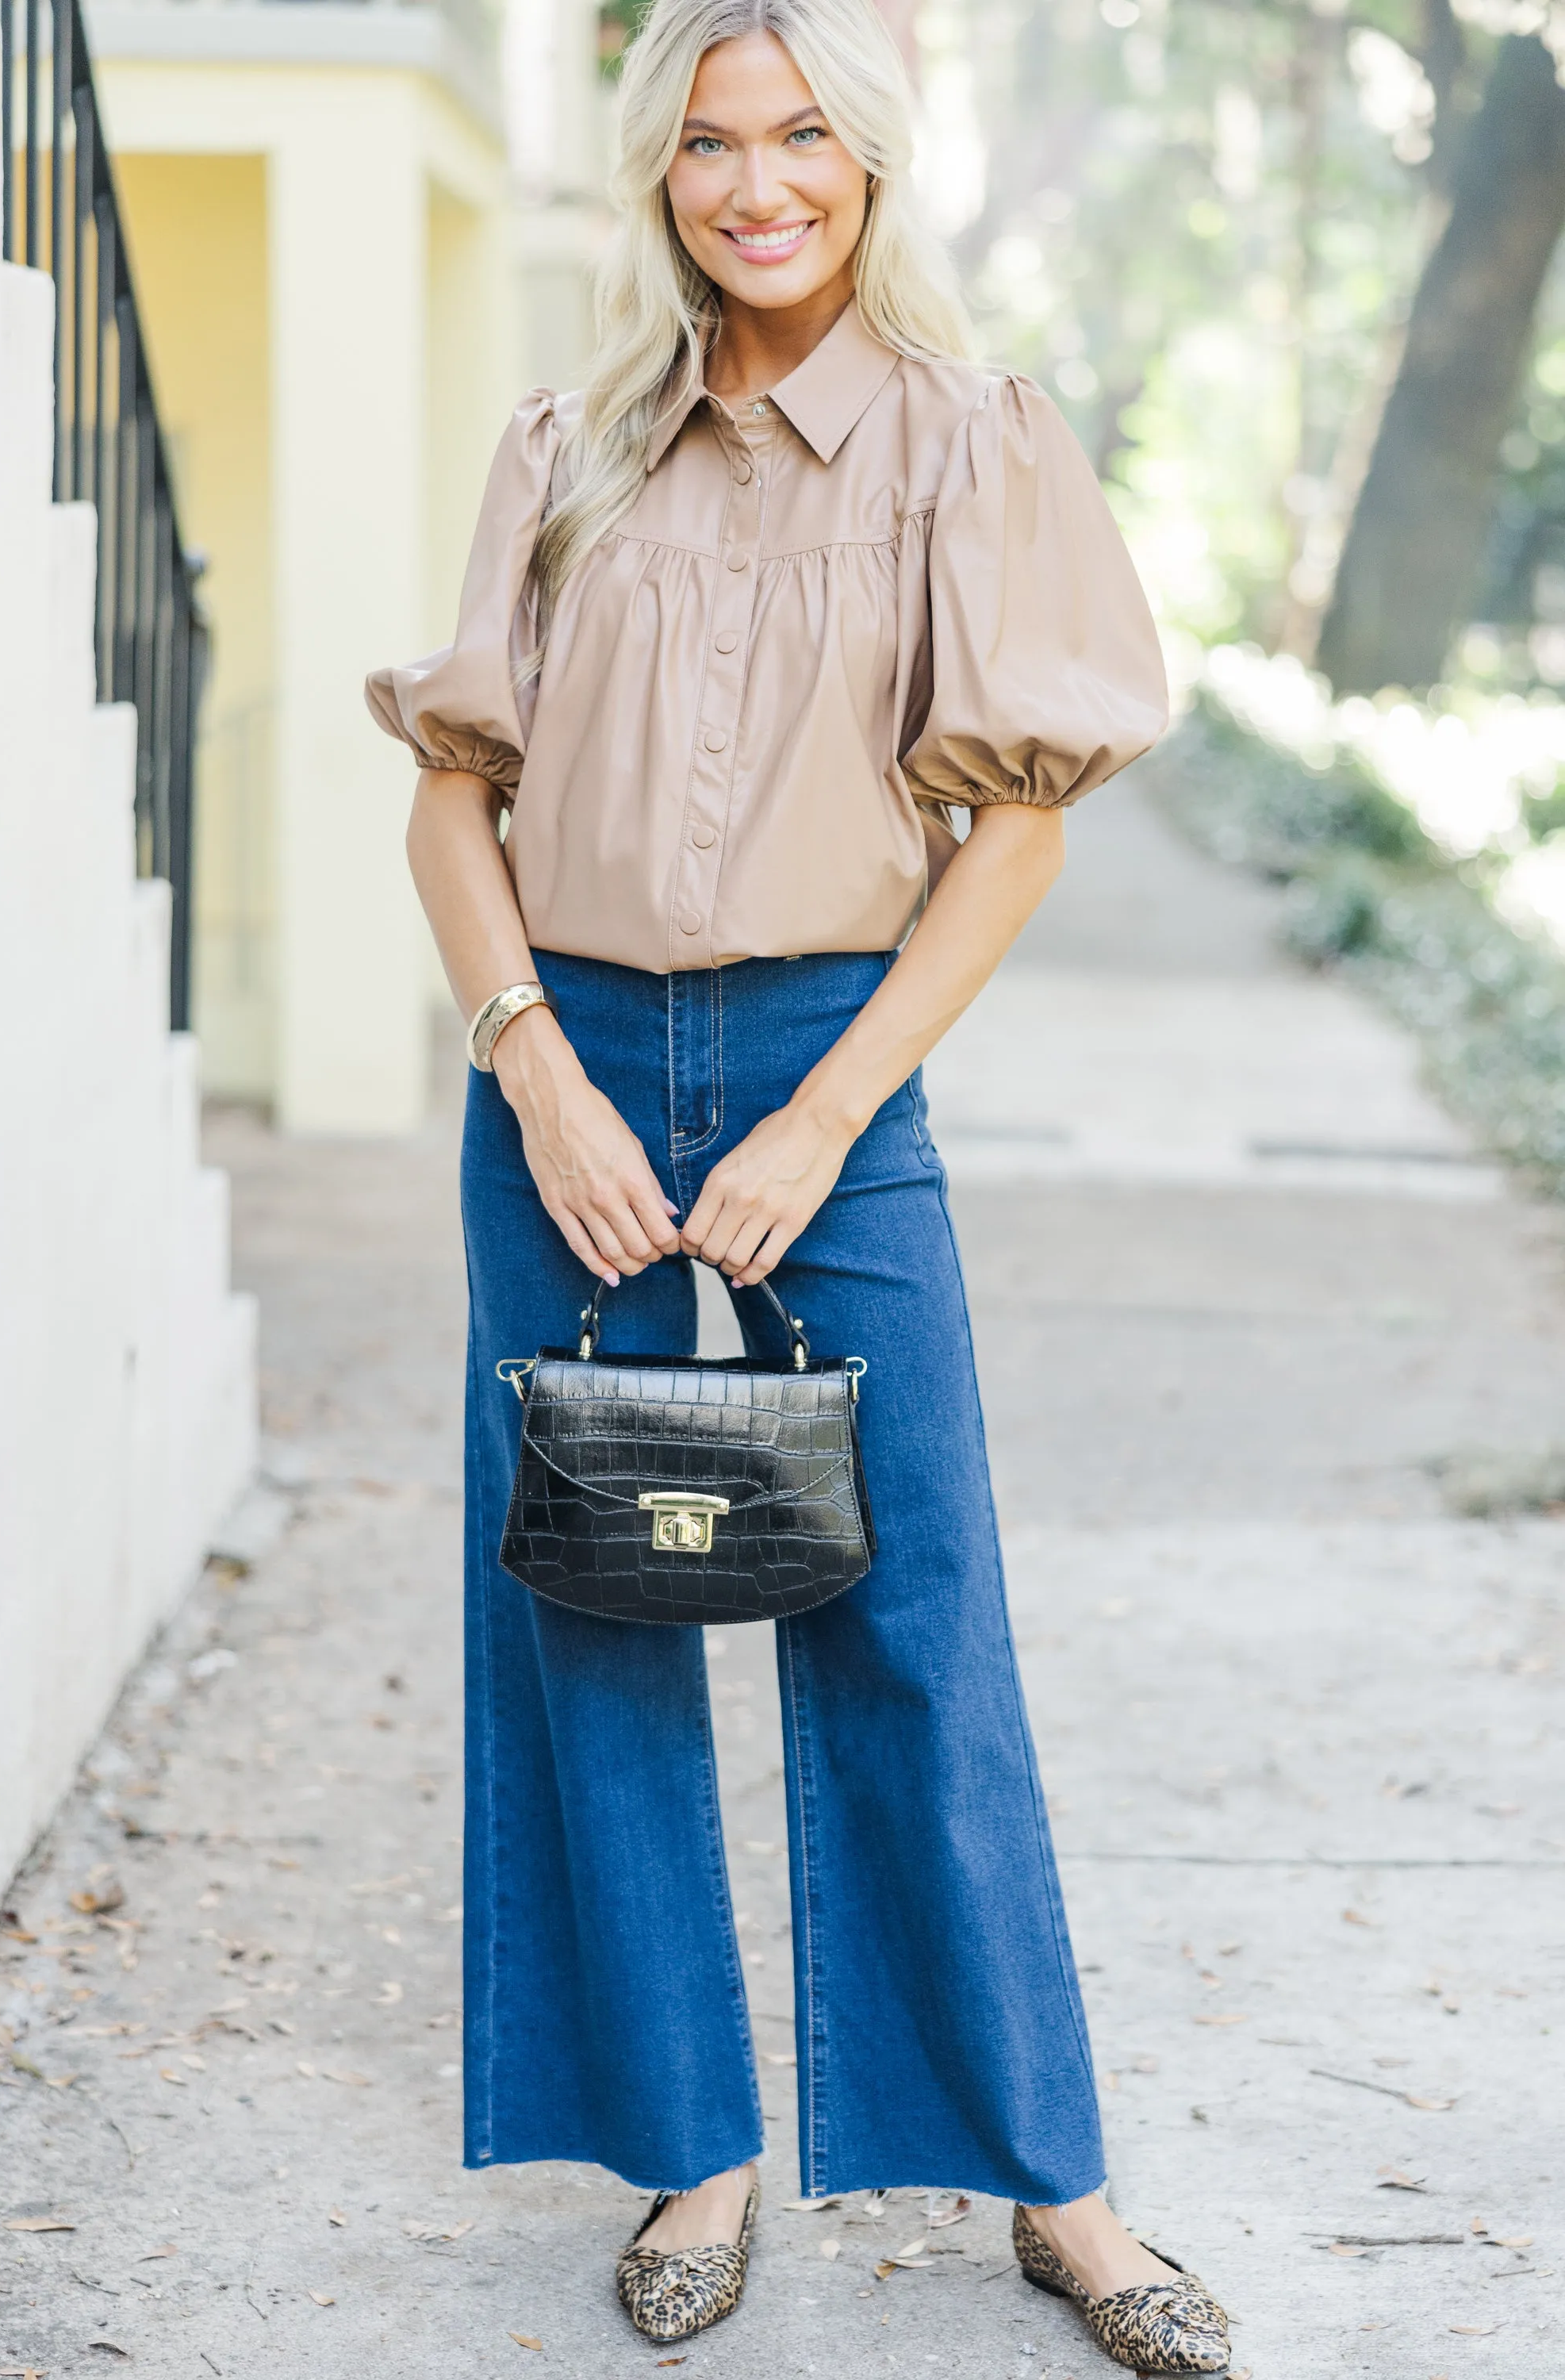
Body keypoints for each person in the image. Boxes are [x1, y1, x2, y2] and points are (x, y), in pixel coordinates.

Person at [366, 1, 1229, 2368]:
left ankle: (1054, 2188)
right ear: (662, 174)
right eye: (716, 144)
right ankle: (695, 2152)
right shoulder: (571, 443)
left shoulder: (978, 443)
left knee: (916, 1610)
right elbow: (456, 790)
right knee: (598, 1602)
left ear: (871, 163)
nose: (760, 184)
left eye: (806, 139)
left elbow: (1018, 824)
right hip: (573, 1067)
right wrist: (531, 1070)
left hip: (834, 1072)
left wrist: (825, 1114)